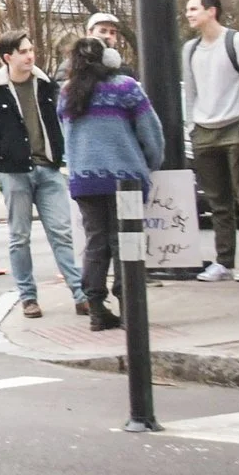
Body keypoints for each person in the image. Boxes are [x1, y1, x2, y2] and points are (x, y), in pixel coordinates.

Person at [0, 32, 88, 318]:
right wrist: (2, 151)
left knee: (61, 233)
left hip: (48, 169)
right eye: (23, 51)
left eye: (31, 49)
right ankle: (28, 297)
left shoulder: (46, 85)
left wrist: (59, 152)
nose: (30, 55)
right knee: (19, 236)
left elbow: (61, 119)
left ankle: (81, 293)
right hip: (14, 173)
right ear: (8, 57)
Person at [60, 36, 164, 332]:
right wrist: (149, 164)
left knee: (96, 242)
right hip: (125, 180)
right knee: (125, 243)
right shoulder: (126, 87)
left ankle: (95, 308)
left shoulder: (67, 93)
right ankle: (130, 306)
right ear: (110, 59)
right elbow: (151, 133)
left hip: (84, 179)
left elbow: (65, 133)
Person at [181, 0, 239, 284]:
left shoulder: (237, 42)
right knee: (218, 201)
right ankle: (223, 261)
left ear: (212, 11)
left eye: (194, 9)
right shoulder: (190, 49)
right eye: (188, 9)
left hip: (235, 127)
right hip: (204, 130)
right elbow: (190, 91)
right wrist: (192, 125)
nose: (189, 14)